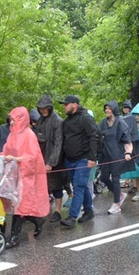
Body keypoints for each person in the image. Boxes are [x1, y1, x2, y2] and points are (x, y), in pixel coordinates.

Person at [2, 106, 49, 248]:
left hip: (27, 176)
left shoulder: (29, 135)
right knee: (18, 206)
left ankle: (14, 237)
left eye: (14, 120)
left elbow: (33, 156)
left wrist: (17, 159)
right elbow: (6, 151)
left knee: (19, 206)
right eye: (10, 120)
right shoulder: (12, 135)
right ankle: (37, 220)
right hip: (15, 175)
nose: (11, 123)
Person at [59, 95, 99, 228]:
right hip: (69, 160)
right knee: (80, 186)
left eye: (66, 104)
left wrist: (92, 158)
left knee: (78, 187)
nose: (63, 107)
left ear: (74, 105)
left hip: (83, 159)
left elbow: (94, 136)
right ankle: (88, 211)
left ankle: (72, 216)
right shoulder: (66, 122)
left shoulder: (86, 118)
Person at [35, 94, 67, 223]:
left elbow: (58, 143)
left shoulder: (57, 121)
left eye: (45, 108)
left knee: (56, 186)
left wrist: (51, 163)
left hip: (55, 160)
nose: (43, 110)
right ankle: (41, 210)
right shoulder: (40, 121)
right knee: (42, 186)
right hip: (41, 156)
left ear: (49, 108)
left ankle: (58, 211)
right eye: (40, 108)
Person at [98, 100, 133, 214]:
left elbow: (127, 139)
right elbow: (96, 135)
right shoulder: (103, 123)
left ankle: (116, 204)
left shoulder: (120, 122)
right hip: (106, 155)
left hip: (117, 155)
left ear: (114, 109)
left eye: (109, 108)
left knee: (116, 179)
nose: (107, 110)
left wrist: (128, 153)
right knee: (103, 178)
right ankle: (120, 194)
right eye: (106, 109)